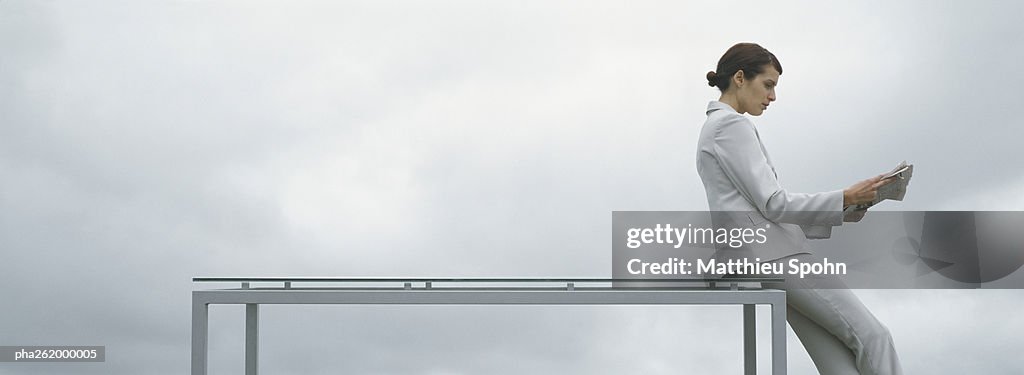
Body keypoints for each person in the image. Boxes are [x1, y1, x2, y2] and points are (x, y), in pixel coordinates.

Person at [696, 42, 903, 375]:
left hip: (762, 260)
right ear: (739, 78)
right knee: (875, 337)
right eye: (768, 84)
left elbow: (756, 213)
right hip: (775, 258)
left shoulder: (714, 129)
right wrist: (845, 197)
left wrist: (846, 209)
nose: (772, 97)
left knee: (839, 366)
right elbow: (774, 204)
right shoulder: (730, 126)